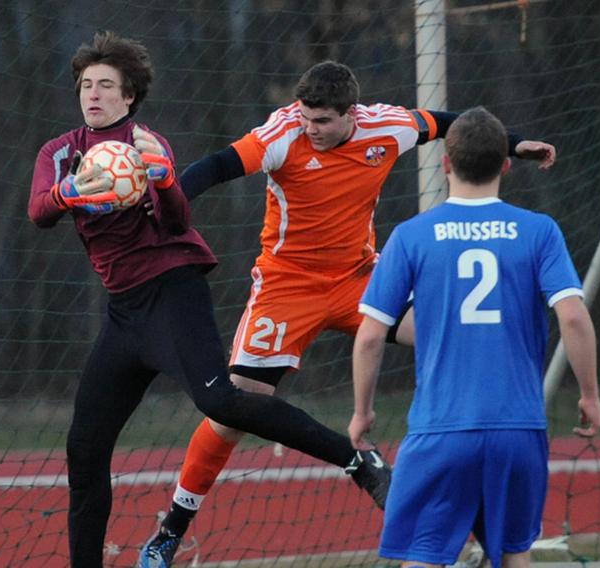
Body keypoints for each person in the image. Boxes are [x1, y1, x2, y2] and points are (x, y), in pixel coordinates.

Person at [138, 61, 558, 566]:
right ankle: (171, 529)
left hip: (361, 280)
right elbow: (216, 166)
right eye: (305, 118)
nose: (309, 128)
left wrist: (516, 143)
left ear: (351, 115)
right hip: (286, 285)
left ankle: (477, 502)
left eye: (321, 122)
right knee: (233, 411)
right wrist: (170, 201)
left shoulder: (387, 126)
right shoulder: (283, 132)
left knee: (451, 337)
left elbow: (449, 124)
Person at [28, 33, 395, 568]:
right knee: (84, 450)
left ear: (129, 97)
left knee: (220, 402)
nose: (94, 94)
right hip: (123, 312)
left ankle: (356, 461)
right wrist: (72, 193)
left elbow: (177, 219)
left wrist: (161, 180)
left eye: (107, 85)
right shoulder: (60, 152)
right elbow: (40, 211)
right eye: (87, 85)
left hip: (173, 291)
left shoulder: (148, 145)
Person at [348, 106, 600, 568]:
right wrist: (589, 394)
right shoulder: (539, 231)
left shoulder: (410, 237)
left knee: (423, 557)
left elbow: (369, 338)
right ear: (506, 164)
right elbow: (574, 317)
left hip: (440, 429)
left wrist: (362, 412)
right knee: (513, 556)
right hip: (518, 429)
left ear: (445, 162)